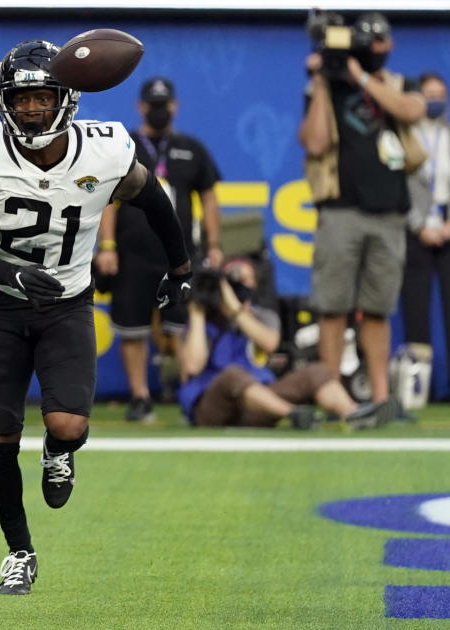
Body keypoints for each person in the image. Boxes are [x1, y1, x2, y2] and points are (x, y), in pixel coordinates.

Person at [0, 40, 191, 595]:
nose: (32, 109)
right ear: (2, 102)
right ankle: (19, 552)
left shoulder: (104, 150)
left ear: (67, 98)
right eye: (23, 98)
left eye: (42, 97)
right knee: (0, 436)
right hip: (2, 307)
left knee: (68, 425)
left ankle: (59, 455)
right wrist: (9, 275)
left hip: (67, 303)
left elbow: (154, 200)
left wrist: (180, 267)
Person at [299, 12, 425, 404]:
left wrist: (361, 77)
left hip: (389, 212)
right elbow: (315, 143)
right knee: (332, 307)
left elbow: (411, 111)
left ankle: (381, 398)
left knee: (377, 309)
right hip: (341, 211)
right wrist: (321, 83)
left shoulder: (400, 84)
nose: (378, 49)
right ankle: (335, 397)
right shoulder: (326, 87)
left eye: (382, 42)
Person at [95, 76, 223, 422]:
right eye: (152, 106)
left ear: (175, 107)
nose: (158, 112)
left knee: (180, 327)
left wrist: (213, 245)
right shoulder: (125, 146)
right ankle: (140, 397)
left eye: (163, 106)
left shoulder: (191, 149)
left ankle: (190, 396)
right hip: (132, 253)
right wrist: (106, 246)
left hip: (178, 254)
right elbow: (106, 199)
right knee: (132, 328)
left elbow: (209, 198)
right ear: (140, 108)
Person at [178, 261, 397, 428]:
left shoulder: (254, 314)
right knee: (232, 374)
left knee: (316, 371)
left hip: (257, 403)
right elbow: (193, 366)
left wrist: (234, 309)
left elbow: (270, 342)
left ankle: (354, 414)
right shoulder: (196, 323)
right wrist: (197, 311)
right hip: (212, 407)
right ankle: (294, 414)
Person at [401, 71, 450, 394]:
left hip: (446, 224)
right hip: (414, 227)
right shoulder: (405, 135)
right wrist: (418, 225)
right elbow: (397, 185)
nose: (435, 101)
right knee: (416, 310)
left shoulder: (447, 134)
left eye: (440, 95)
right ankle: (420, 388)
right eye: (429, 95)